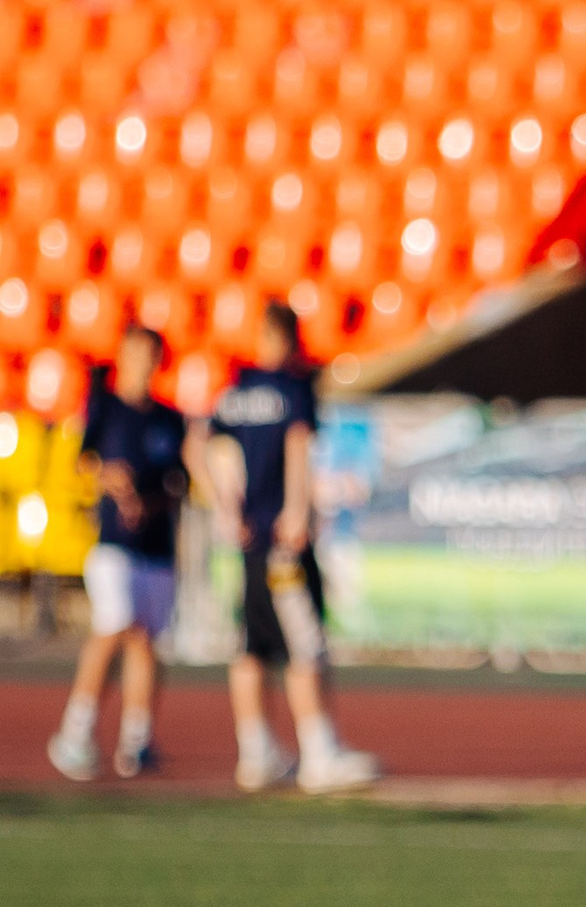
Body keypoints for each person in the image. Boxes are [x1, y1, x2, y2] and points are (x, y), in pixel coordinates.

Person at [200, 301, 378, 794]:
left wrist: (226, 508)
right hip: (283, 539)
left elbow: (206, 448)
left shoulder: (235, 393)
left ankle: (255, 751)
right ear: (293, 339)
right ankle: (319, 752)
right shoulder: (293, 389)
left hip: (250, 539)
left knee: (252, 646)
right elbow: (299, 447)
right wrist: (298, 509)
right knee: (304, 643)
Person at [46, 324, 186, 783]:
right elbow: (84, 461)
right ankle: (76, 729)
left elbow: (180, 483)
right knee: (114, 626)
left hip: (156, 545)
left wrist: (152, 501)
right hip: (113, 544)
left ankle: (136, 740)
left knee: (145, 639)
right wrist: (112, 479)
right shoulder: (106, 408)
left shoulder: (169, 418)